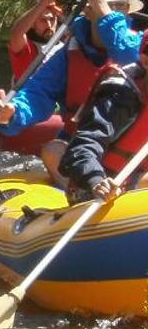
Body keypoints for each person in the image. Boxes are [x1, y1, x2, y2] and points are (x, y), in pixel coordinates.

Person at [0, 0, 144, 185]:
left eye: (121, 7)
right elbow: (38, 93)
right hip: (81, 149)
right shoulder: (69, 53)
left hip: (133, 156)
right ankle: (82, 192)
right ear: (88, 11)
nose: (115, 12)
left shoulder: (139, 45)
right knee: (52, 151)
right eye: (109, 5)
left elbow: (126, 54)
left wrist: (104, 12)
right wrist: (13, 112)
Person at [58, 34, 148, 203]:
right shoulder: (121, 95)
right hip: (102, 187)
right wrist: (96, 180)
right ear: (144, 59)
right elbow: (84, 145)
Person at [7, 0, 63, 83]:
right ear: (32, 24)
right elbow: (16, 33)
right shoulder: (26, 48)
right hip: (27, 96)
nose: (49, 25)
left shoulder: (65, 45)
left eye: (52, 19)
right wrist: (44, 2)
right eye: (43, 20)